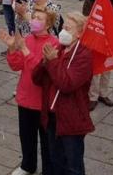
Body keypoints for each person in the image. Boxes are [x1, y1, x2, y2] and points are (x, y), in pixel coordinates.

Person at [32, 11, 94, 175]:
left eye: (69, 28)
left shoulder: (84, 56)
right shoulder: (58, 49)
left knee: (73, 166)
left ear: (79, 33)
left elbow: (66, 84)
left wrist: (52, 62)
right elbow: (37, 79)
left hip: (71, 119)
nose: (63, 31)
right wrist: (44, 62)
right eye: (63, 27)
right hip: (53, 117)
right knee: (55, 160)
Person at [0, 9, 58, 175]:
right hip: (25, 98)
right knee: (26, 137)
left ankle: (49, 169)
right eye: (33, 17)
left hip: (44, 102)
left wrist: (24, 50)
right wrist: (12, 49)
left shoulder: (54, 44)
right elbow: (16, 65)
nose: (34, 20)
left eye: (39, 18)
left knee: (47, 140)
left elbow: (40, 72)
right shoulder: (27, 39)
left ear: (48, 24)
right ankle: (28, 165)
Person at [83, 0, 113, 111]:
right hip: (94, 39)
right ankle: (92, 96)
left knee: (106, 69)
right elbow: (85, 18)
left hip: (108, 39)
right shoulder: (89, 0)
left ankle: (103, 94)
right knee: (95, 69)